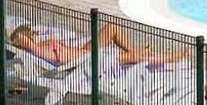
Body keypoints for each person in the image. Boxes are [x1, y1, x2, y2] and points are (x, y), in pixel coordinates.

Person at [9, 21, 185, 69]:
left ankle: (137, 51)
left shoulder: (40, 45)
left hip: (83, 52)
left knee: (112, 27)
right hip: (86, 61)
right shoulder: (37, 50)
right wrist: (16, 36)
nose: (33, 35)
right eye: (28, 36)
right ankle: (166, 58)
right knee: (128, 58)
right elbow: (21, 39)